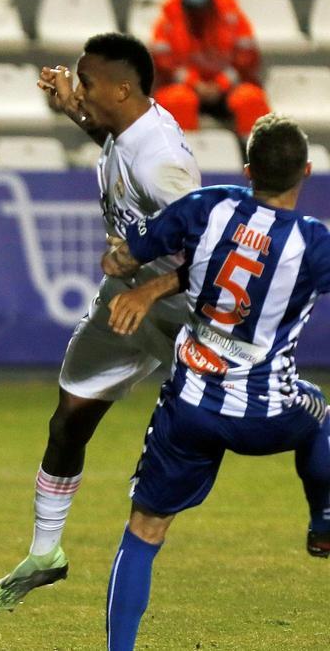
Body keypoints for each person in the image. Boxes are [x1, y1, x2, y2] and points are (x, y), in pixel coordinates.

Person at [0, 33, 202, 615]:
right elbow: (111, 139)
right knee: (69, 416)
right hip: (127, 292)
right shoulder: (130, 129)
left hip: (179, 305)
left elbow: (212, 251)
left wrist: (153, 288)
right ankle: (45, 553)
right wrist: (73, 109)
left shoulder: (163, 162)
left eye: (89, 81)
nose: (81, 87)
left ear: (123, 89)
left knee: (245, 424)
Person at [99, 113, 330, 650]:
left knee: (145, 530)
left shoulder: (208, 207)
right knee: (318, 412)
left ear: (248, 169)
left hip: (191, 405)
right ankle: (323, 520)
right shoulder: (314, 244)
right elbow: (263, 265)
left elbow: (124, 257)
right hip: (265, 410)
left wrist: (125, 264)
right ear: (307, 172)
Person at [150, 0, 270, 138]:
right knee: (176, 100)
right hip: (185, 88)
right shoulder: (170, 13)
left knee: (251, 98)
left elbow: (247, 57)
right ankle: (182, 158)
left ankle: (257, 158)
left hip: (228, 89)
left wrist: (221, 83)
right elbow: (163, 63)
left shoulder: (230, 11)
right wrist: (194, 83)